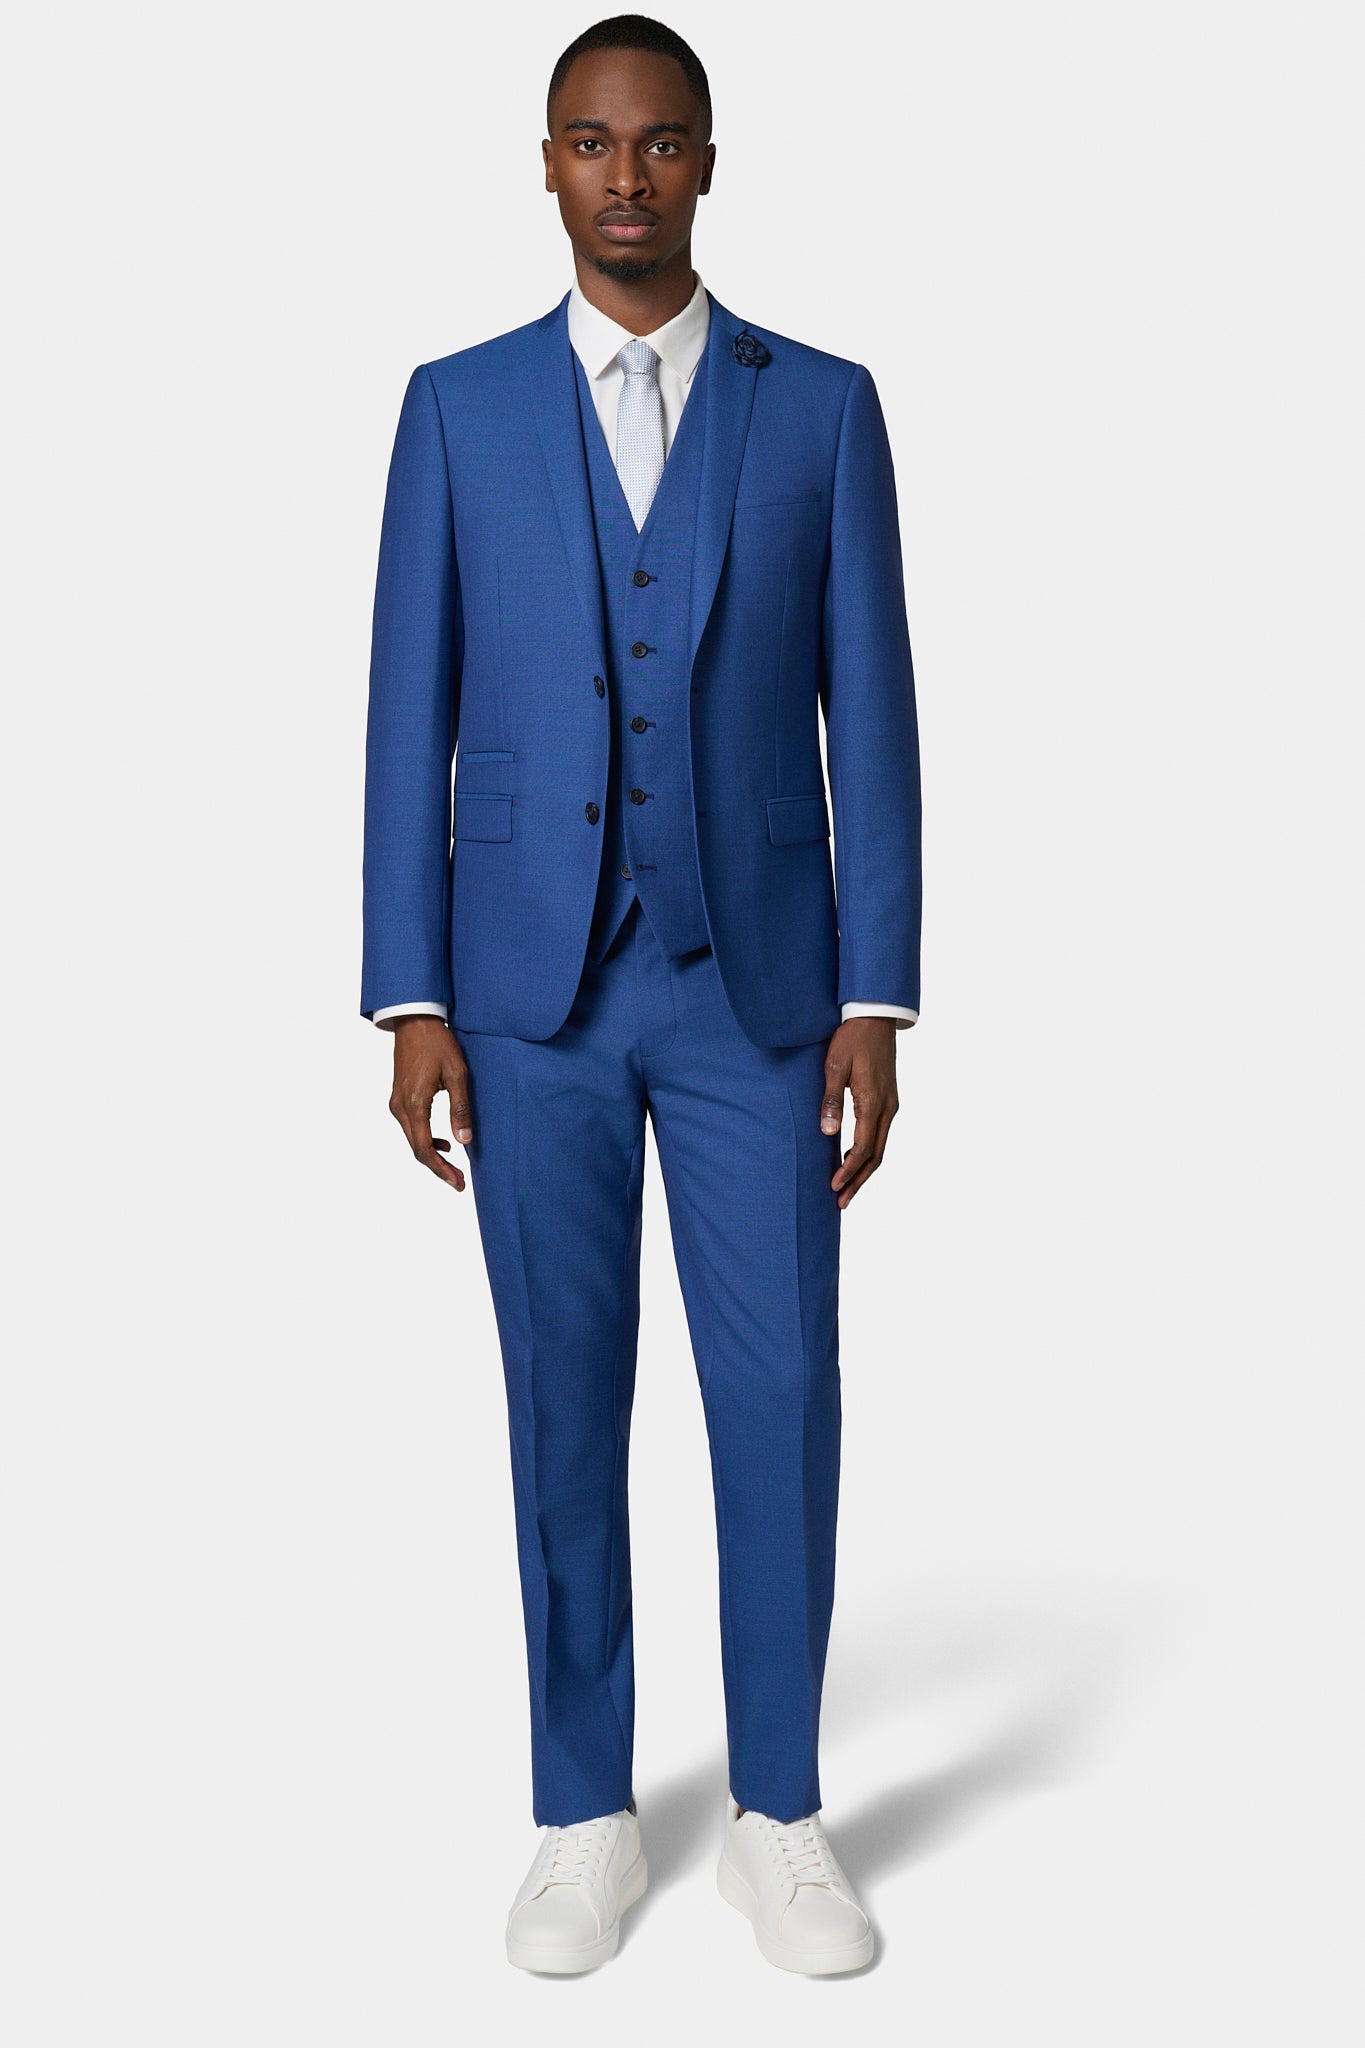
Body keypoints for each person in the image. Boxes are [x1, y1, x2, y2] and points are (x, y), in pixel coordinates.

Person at [361, 13, 921, 1976]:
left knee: (779, 1394)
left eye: (660, 141)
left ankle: (777, 1815)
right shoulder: (455, 409)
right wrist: (408, 995)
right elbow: (408, 713)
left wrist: (876, 995)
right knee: (560, 1397)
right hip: (525, 995)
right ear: (545, 163)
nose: (625, 174)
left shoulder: (820, 407)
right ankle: (582, 1811)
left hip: (758, 994)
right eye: (590, 142)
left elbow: (875, 716)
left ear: (705, 164)